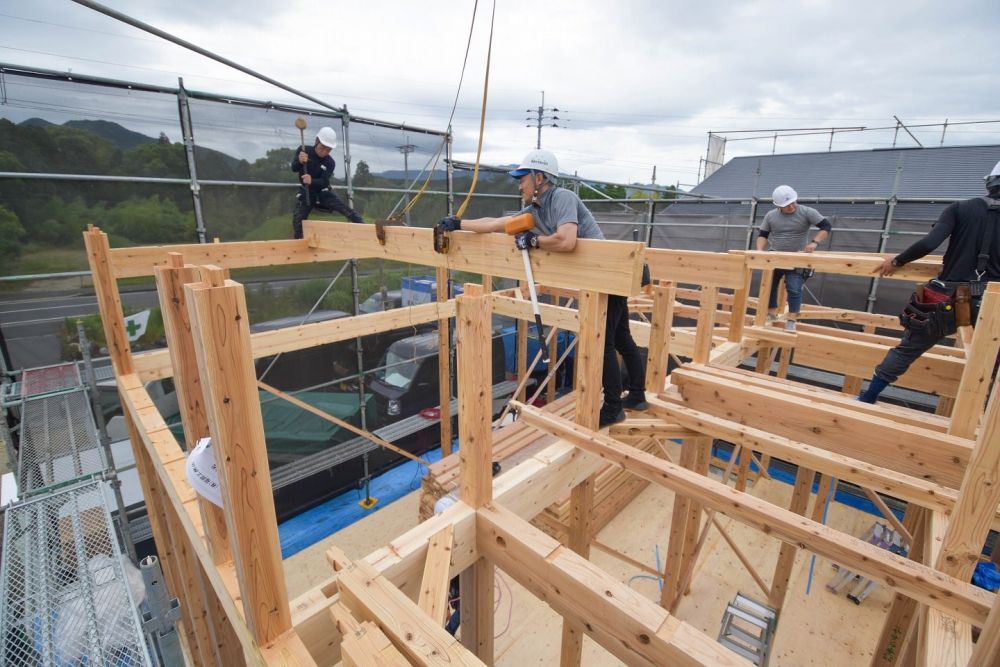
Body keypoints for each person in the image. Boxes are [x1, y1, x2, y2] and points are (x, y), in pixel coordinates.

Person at [436, 149, 646, 428]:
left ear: (539, 178)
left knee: (606, 344)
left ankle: (613, 407)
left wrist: (534, 242)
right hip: (598, 278)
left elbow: (567, 240)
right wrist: (458, 223)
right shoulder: (534, 211)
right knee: (622, 339)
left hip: (606, 275)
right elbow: (495, 224)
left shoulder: (562, 198)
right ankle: (638, 396)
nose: (519, 184)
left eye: (522, 178)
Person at [858, 160, 1000, 404]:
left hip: (954, 293)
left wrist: (898, 261)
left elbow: (928, 244)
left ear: (990, 182)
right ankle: (987, 424)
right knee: (993, 361)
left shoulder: (961, 208)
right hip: (992, 298)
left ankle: (868, 397)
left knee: (908, 348)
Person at [755, 185, 833, 331]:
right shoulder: (771, 216)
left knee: (794, 287)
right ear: (779, 206)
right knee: (769, 286)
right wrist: (760, 251)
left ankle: (791, 319)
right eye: (786, 205)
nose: (791, 206)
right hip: (776, 257)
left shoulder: (806, 212)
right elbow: (763, 235)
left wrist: (814, 242)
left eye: (792, 202)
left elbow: (826, 226)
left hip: (797, 258)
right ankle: (771, 314)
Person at [290, 126, 364, 239]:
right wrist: (299, 161)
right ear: (316, 141)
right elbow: (294, 168)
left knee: (346, 210)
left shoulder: (330, 162)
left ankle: (367, 229)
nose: (324, 152)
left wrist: (312, 181)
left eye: (328, 149)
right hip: (307, 193)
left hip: (323, 192)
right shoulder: (304, 151)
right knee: (298, 220)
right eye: (323, 147)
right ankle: (298, 243)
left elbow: (324, 182)